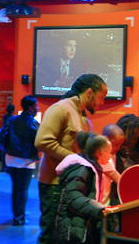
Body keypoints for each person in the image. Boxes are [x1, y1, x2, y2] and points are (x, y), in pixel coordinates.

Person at [35, 73, 108, 244]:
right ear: (89, 92)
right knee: (50, 235)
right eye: (101, 97)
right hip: (54, 185)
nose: (102, 103)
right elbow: (42, 141)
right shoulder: (61, 109)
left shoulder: (84, 119)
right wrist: (76, 159)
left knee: (64, 235)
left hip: (73, 187)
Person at [55, 132, 111, 244]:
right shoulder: (83, 169)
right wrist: (98, 209)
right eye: (109, 152)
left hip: (80, 226)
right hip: (72, 228)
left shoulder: (92, 168)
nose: (110, 156)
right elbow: (73, 197)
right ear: (101, 153)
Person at [2, 95, 39, 226]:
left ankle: (16, 216)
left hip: (11, 158)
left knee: (16, 188)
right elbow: (38, 142)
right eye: (36, 106)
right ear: (30, 108)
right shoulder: (34, 123)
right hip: (27, 161)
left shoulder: (12, 120)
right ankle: (19, 218)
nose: (38, 108)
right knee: (23, 189)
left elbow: (1, 136)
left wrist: (6, 149)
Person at [101, 124, 125, 205]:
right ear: (106, 139)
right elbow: (120, 180)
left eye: (120, 145)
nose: (118, 148)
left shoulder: (117, 160)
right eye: (117, 144)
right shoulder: (99, 157)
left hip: (107, 205)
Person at [0, 104, 15, 172]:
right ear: (12, 110)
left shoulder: (4, 117)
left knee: (4, 152)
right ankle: (8, 167)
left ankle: (3, 167)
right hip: (9, 137)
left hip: (4, 136)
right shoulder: (12, 118)